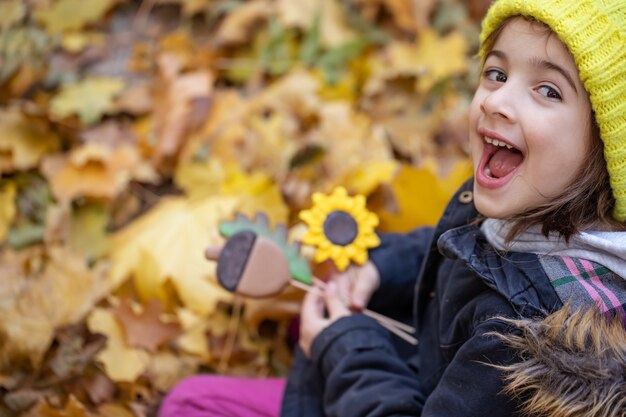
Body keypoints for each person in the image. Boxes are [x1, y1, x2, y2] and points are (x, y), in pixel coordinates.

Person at [159, 0, 626, 415]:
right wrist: (380, 270)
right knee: (327, 306)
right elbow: (457, 249)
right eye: (497, 74)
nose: (497, 101)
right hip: (420, 359)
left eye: (548, 91)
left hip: (404, 393)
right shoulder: (529, 202)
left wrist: (344, 347)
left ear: (608, 151)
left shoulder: (523, 344)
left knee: (191, 404)